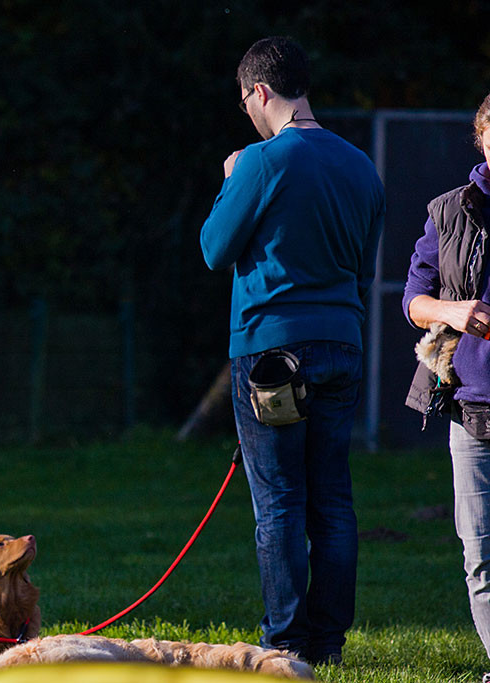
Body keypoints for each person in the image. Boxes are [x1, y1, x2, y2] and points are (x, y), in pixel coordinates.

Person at [199, 36, 385, 666]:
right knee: (333, 498)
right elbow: (364, 265)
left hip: (272, 352)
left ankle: (283, 643)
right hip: (342, 344)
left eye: (246, 101)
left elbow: (214, 250)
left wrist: (231, 181)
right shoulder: (361, 165)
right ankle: (329, 645)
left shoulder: (259, 161)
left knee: (279, 501)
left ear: (259, 92)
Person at [403, 93, 490, 679]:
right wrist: (454, 313)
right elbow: (413, 300)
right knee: (481, 556)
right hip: (471, 409)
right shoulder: (449, 211)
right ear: (482, 138)